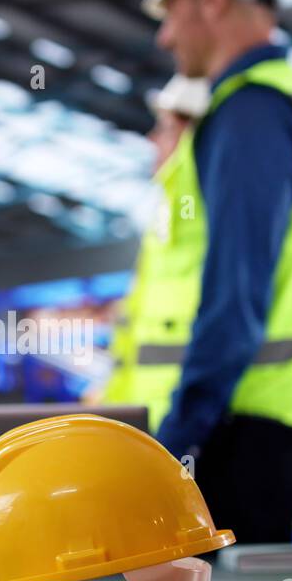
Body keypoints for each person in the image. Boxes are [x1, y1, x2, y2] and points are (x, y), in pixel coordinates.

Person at [140, 0, 292, 543]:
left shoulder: (252, 111)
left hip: (241, 416)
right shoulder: (285, 101)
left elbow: (235, 292)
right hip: (263, 411)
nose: (166, 37)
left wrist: (177, 437)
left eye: (171, 12)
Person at [101, 74, 212, 432]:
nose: (152, 139)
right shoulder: (164, 222)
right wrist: (107, 409)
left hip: (188, 422)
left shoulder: (208, 215)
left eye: (162, 128)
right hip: (152, 422)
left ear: (187, 133)